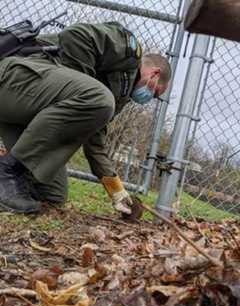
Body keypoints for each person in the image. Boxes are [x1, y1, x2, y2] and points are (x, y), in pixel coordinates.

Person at [0, 21, 171, 214]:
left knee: (52, 196)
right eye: (154, 93)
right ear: (155, 74)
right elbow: (77, 35)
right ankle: (7, 172)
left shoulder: (118, 94)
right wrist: (80, 83)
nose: (149, 98)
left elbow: (95, 141)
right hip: (14, 78)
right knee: (99, 98)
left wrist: (116, 190)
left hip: (24, 108)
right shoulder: (127, 50)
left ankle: (9, 186)